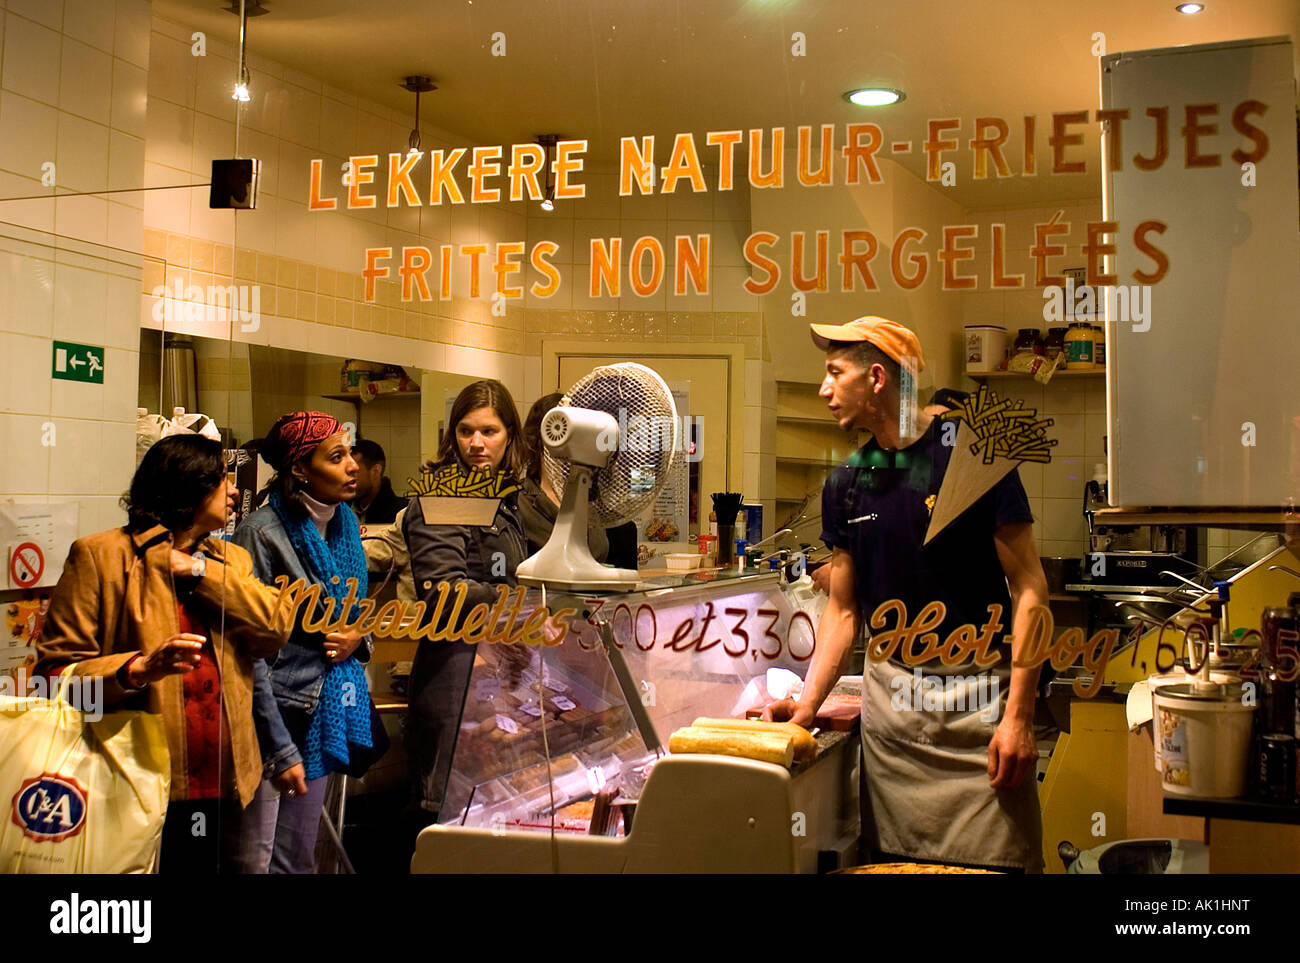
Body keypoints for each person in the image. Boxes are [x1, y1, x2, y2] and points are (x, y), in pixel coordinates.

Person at [765, 316, 1049, 872]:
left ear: (876, 378)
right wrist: (806, 707)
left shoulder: (976, 456)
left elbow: (1030, 588)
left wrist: (1018, 717)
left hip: (981, 713)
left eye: (833, 372)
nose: (823, 390)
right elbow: (844, 613)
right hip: (896, 723)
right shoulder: (845, 484)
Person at [35, 434, 293, 873]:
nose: (234, 491)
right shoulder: (101, 556)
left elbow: (273, 629)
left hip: (225, 780)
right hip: (130, 779)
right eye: (221, 481)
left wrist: (197, 570)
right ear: (188, 486)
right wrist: (137, 669)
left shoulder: (227, 559)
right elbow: (54, 676)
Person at [231, 411, 374, 874]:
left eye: (351, 453)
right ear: (299, 469)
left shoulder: (345, 522)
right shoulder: (261, 532)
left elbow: (355, 613)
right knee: (258, 857)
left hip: (327, 701)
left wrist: (358, 636)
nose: (353, 465)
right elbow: (246, 641)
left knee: (298, 857)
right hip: (278, 709)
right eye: (337, 457)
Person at [403, 380, 528, 830]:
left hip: (496, 678)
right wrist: (521, 597)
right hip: (455, 677)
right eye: (465, 430)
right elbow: (443, 592)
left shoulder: (499, 498)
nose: (476, 443)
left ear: (510, 436)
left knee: (488, 818)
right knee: (444, 818)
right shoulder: (442, 495)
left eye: (489, 431)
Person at [351, 439, 405, 525]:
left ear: (376, 471)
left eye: (354, 471)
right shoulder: (341, 510)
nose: (348, 477)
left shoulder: (400, 515)